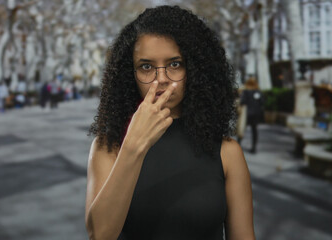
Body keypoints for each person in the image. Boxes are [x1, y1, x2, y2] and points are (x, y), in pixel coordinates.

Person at [85, 6, 255, 240]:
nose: (161, 78)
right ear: (129, 74)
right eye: (146, 67)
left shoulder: (228, 152)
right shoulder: (108, 148)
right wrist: (133, 147)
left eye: (175, 64)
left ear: (196, 68)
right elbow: (100, 235)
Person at [240, 77, 264, 154]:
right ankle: (254, 147)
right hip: (256, 114)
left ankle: (238, 144)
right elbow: (262, 102)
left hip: (247, 113)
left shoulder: (246, 91)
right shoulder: (258, 92)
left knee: (242, 129)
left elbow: (242, 102)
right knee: (254, 130)